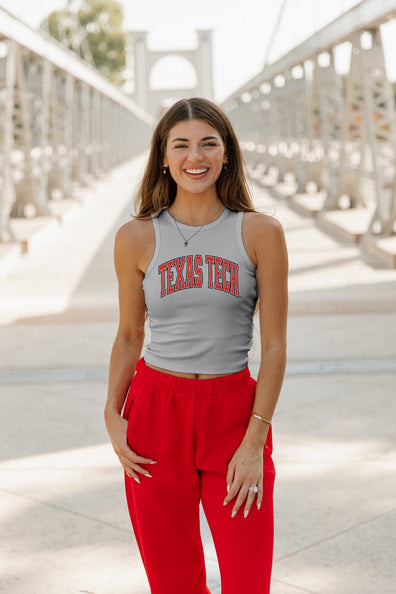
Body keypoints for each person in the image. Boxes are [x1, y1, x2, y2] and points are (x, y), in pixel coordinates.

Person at [104, 97, 288, 594]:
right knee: (173, 583)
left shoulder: (260, 232)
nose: (195, 156)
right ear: (163, 157)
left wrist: (255, 443)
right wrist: (111, 414)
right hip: (155, 413)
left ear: (226, 153)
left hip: (233, 414)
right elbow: (128, 335)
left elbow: (273, 346)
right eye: (180, 144)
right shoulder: (136, 237)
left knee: (248, 581)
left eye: (209, 143)